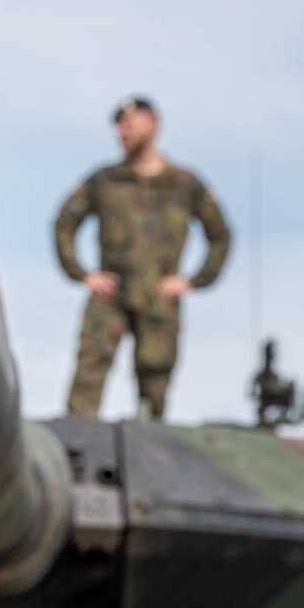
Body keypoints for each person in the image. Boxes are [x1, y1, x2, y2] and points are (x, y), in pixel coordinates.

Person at [54, 97, 231, 420]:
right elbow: (64, 223)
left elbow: (220, 234)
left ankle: (149, 444)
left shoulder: (184, 183)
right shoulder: (104, 180)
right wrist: (81, 273)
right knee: (89, 371)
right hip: (111, 292)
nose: (123, 132)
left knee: (155, 378)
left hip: (159, 295)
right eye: (119, 127)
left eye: (130, 125)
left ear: (154, 125)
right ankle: (77, 442)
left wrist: (194, 280)